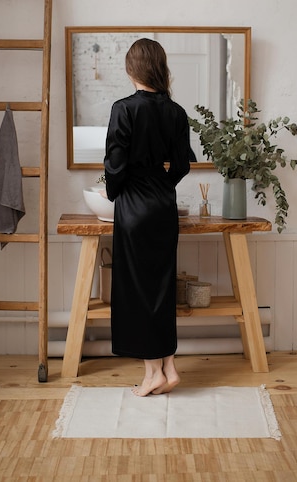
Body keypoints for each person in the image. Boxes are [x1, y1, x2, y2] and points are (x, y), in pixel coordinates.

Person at [104, 38, 191, 397]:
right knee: (162, 287)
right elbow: (183, 165)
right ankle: (168, 365)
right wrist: (160, 184)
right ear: (161, 67)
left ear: (131, 69)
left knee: (136, 291)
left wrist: (118, 192)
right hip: (163, 205)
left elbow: (114, 165)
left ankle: (151, 374)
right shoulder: (176, 111)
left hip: (133, 207)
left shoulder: (123, 109)